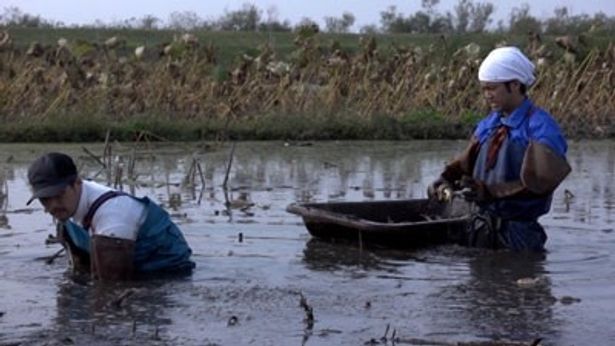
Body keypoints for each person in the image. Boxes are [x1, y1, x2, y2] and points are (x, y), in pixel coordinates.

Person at [428, 46, 571, 251]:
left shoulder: (540, 128)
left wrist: (490, 192)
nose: (487, 95)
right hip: (479, 228)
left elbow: (540, 183)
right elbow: (465, 164)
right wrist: (445, 179)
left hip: (518, 235)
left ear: (514, 85)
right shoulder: (489, 124)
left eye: (492, 88)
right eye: (484, 89)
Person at [27, 152, 195, 280]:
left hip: (167, 277)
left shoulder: (113, 215)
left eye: (59, 195)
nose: (52, 206)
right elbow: (80, 268)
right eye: (45, 199)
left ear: (77, 183)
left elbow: (111, 289)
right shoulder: (68, 210)